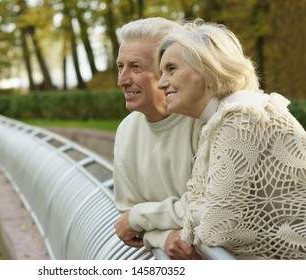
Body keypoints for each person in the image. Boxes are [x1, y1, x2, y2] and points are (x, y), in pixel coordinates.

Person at [157, 19, 306, 259]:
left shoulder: (241, 118)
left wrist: (187, 216)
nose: (161, 82)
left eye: (171, 69)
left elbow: (215, 229)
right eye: (161, 72)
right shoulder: (226, 115)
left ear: (207, 67)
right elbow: (206, 208)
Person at [113, 17, 203, 260]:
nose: (122, 80)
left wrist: (141, 221)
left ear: (168, 70)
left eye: (136, 67)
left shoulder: (203, 120)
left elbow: (209, 208)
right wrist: (162, 238)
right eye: (120, 66)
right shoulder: (127, 130)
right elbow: (127, 218)